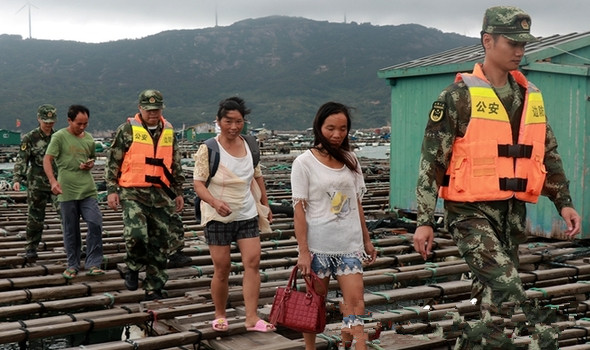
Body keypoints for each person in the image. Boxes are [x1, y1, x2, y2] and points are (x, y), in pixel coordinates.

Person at [412, 6, 582, 350]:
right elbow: (433, 160)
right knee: (506, 279)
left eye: (524, 45)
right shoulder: (457, 97)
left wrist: (564, 203)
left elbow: (546, 154)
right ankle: (542, 331)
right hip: (468, 213)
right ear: (488, 41)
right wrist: (424, 220)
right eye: (512, 43)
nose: (520, 51)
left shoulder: (529, 97)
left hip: (511, 213)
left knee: (492, 300)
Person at [291, 102, 377, 350]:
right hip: (318, 247)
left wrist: (367, 241)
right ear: (319, 127)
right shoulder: (303, 163)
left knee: (355, 304)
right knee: (314, 305)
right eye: (330, 128)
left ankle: (353, 346)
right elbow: (299, 210)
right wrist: (303, 252)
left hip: (349, 245)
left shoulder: (351, 160)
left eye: (342, 129)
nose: (337, 134)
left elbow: (357, 205)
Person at [193, 97, 274, 333]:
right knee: (222, 267)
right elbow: (198, 184)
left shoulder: (250, 145)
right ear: (218, 121)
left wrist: (265, 206)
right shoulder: (208, 148)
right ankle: (220, 314)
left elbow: (257, 177)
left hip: (246, 213)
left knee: (253, 262)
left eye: (238, 121)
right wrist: (215, 202)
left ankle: (251, 317)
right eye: (228, 121)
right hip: (218, 216)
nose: (233, 126)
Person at [105, 89, 186, 301]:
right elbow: (113, 161)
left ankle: (154, 286)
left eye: (156, 109)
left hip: (161, 194)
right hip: (133, 192)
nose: (153, 113)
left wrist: (178, 192)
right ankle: (133, 266)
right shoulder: (127, 130)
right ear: (140, 108)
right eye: (148, 109)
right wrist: (112, 190)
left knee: (160, 243)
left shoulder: (168, 130)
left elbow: (175, 163)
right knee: (137, 235)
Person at [43, 104, 105, 279]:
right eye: (79, 123)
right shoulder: (59, 137)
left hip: (87, 189)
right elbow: (47, 160)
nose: (82, 127)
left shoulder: (89, 139)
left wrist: (89, 164)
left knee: (95, 222)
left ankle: (93, 263)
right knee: (71, 229)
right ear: (69, 120)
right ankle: (73, 264)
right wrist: (52, 181)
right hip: (67, 190)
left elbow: (91, 159)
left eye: (85, 123)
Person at [13, 104, 61, 262]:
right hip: (36, 184)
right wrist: (17, 179)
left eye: (51, 121)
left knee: (66, 214)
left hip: (56, 183)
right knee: (35, 218)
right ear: (39, 118)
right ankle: (31, 248)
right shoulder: (30, 138)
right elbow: (22, 160)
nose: (48, 124)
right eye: (46, 121)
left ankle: (74, 245)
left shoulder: (59, 137)